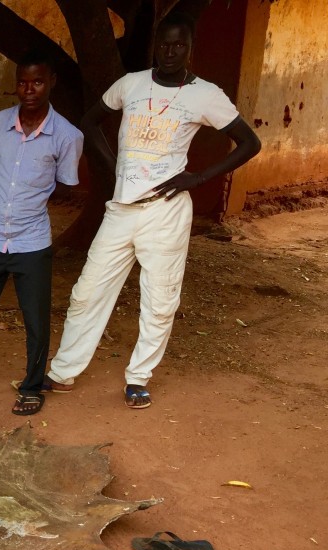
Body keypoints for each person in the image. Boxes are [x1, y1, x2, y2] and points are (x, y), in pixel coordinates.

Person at [45, 12, 261, 409]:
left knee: (159, 300)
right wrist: (112, 168)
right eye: (165, 44)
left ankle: (138, 378)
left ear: (190, 48)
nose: (171, 52)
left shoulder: (205, 95)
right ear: (156, 46)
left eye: (179, 45)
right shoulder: (130, 84)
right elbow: (90, 121)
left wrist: (199, 178)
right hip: (121, 209)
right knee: (87, 293)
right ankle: (62, 371)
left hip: (165, 212)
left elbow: (249, 142)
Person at [0, 51, 83, 416]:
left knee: (35, 319)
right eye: (23, 82)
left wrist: (29, 201)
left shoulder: (68, 135)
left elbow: (66, 186)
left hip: (32, 242)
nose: (29, 90)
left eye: (37, 82)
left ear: (51, 81)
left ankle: (32, 386)